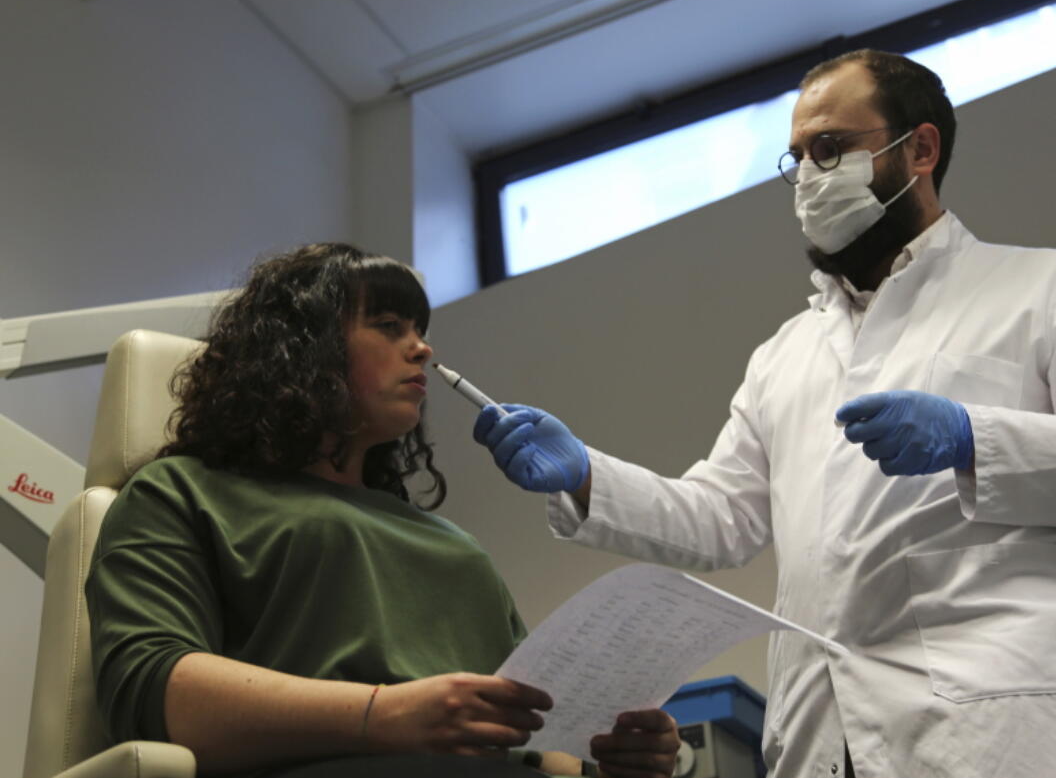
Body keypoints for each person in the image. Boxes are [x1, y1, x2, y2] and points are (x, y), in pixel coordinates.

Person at [473, 50, 1056, 778]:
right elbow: (721, 516)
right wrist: (586, 479)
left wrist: (972, 435)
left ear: (920, 148)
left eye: (831, 148)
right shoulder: (783, 355)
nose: (810, 178)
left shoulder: (1051, 288)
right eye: (798, 157)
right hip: (829, 742)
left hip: (1017, 735)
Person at [86, 243, 680, 778]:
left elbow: (534, 738)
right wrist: (384, 714)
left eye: (419, 328)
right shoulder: (181, 494)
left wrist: (608, 762)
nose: (422, 347)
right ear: (301, 348)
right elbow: (148, 690)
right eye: (389, 325)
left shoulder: (455, 547)